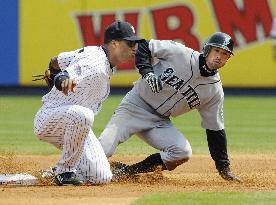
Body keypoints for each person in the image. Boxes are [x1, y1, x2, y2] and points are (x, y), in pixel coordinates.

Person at [99, 32, 242, 182]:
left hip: (160, 121)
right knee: (104, 149)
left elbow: (215, 130)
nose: (219, 56)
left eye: (225, 54)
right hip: (135, 106)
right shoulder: (180, 53)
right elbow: (143, 46)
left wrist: (224, 167)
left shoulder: (214, 92)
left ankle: (127, 171)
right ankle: (74, 170)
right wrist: (147, 72)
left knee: (182, 152)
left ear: (228, 59)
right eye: (216, 50)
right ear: (207, 49)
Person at [33, 20, 143, 186]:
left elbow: (56, 60)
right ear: (114, 44)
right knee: (84, 115)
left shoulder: (95, 52)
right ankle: (65, 172)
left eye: (135, 43)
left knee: (102, 177)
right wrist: (61, 79)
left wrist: (53, 69)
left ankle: (53, 173)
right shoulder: (96, 66)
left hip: (72, 124)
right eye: (129, 43)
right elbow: (64, 76)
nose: (134, 48)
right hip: (50, 120)